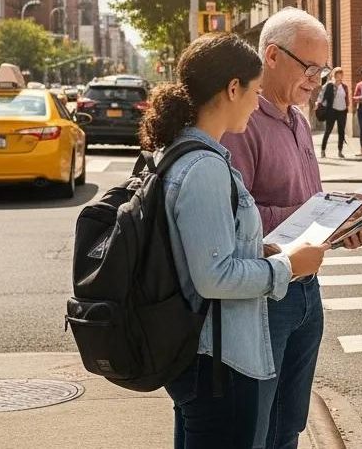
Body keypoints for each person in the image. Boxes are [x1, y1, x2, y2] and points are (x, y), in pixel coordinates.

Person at [140, 33, 329, 449]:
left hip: (205, 352)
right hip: (219, 359)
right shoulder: (204, 167)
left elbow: (204, 246)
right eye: (254, 91)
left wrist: (257, 248)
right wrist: (287, 266)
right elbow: (214, 276)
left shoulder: (186, 153)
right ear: (232, 89)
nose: (257, 103)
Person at [220, 8, 362, 449]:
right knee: (257, 428)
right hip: (267, 295)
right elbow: (235, 217)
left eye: (322, 70)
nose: (315, 80)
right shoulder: (241, 123)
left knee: (290, 425)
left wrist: (341, 224)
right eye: (309, 68)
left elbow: (308, 200)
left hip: (308, 292)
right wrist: (312, 216)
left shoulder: (300, 121)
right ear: (271, 56)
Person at [315, 66, 349, 158]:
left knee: (341, 132)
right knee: (328, 131)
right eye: (337, 74)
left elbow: (346, 98)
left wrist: (347, 107)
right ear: (334, 75)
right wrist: (318, 103)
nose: (339, 76)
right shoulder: (330, 85)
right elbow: (322, 95)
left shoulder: (344, 86)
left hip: (342, 111)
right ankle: (323, 150)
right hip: (332, 111)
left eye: (341, 74)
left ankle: (340, 151)